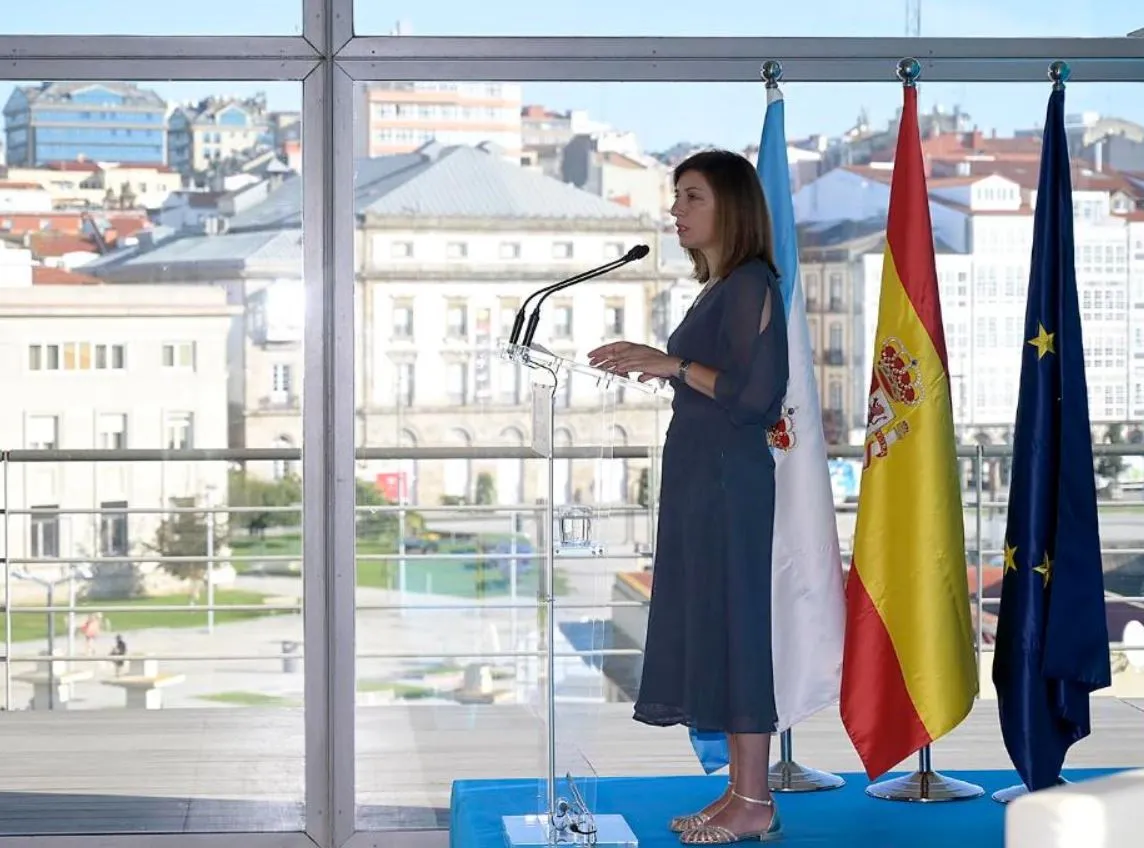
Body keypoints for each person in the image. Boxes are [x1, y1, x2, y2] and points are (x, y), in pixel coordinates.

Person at [588, 149, 789, 845]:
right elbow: (718, 380)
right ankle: (738, 792)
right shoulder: (721, 286)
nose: (676, 211)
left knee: (738, 631)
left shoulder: (751, 283)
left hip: (731, 482)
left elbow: (756, 398)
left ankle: (756, 799)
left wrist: (668, 363)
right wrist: (671, 371)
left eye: (691, 197)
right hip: (703, 478)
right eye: (677, 198)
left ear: (729, 206)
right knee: (717, 627)